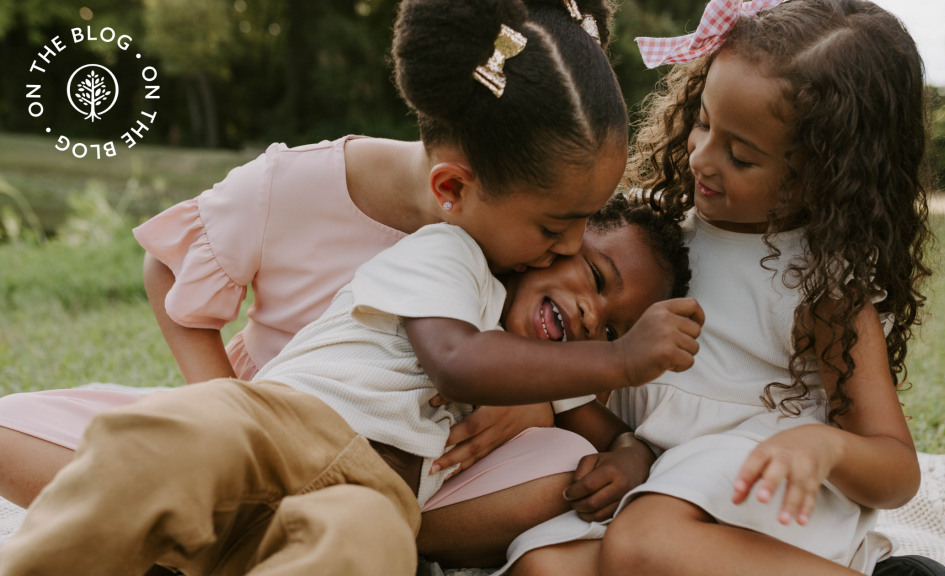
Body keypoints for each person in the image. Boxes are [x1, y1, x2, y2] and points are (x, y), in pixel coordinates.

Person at [0, 0, 635, 565]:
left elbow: (513, 370)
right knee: (71, 437)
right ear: (453, 189)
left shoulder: (523, 235)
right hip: (260, 420)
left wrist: (525, 403)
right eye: (559, 225)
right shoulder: (298, 185)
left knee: (535, 477)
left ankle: (243, 538)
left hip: (385, 473)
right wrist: (222, 402)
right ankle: (200, 512)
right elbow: (166, 265)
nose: (574, 245)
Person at [0, 192, 701, 576]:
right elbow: (456, 359)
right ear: (554, 243)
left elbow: (617, 436)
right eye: (597, 279)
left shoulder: (560, 372)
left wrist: (633, 455)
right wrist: (621, 360)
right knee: (169, 439)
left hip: (376, 490)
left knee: (370, 552)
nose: (593, 318)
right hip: (279, 424)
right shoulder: (453, 259)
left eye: (615, 327)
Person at [502, 0, 939, 574]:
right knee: (543, 566)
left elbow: (897, 469)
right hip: (663, 479)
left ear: (827, 177)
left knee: (642, 544)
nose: (703, 157)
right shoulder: (652, 239)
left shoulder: (821, 288)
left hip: (762, 484)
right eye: (704, 122)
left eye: (740, 155)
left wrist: (824, 447)